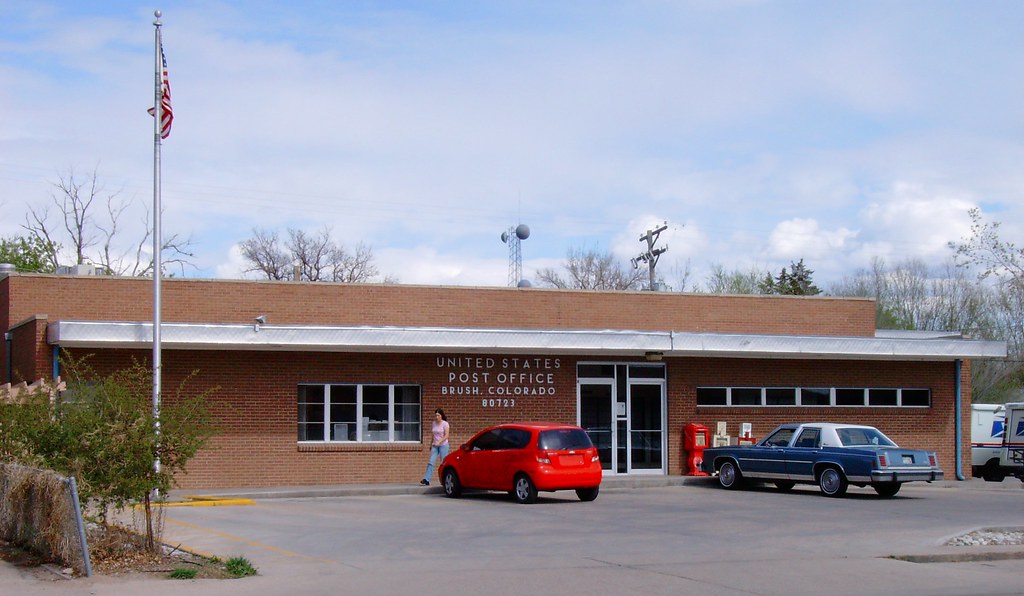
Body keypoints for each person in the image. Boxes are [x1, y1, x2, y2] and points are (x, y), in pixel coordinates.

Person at [421, 408, 450, 486]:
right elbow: (433, 435)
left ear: (441, 416)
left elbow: (446, 435)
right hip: (435, 445)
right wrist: (431, 444)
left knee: (443, 463)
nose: (436, 417)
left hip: (443, 445)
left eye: (438, 415)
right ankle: (426, 479)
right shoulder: (434, 423)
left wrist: (439, 442)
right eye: (436, 415)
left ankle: (444, 480)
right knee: (431, 462)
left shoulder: (445, 424)